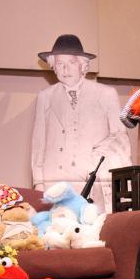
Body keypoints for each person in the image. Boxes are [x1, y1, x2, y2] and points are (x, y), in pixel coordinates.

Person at [31, 34, 132, 213]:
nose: (65, 69)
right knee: (57, 234)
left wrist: (102, 160)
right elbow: (38, 142)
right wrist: (38, 181)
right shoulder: (45, 96)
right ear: (53, 66)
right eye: (60, 64)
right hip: (56, 180)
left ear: (82, 65)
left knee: (94, 232)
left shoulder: (106, 94)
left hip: (93, 180)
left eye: (71, 62)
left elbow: (119, 136)